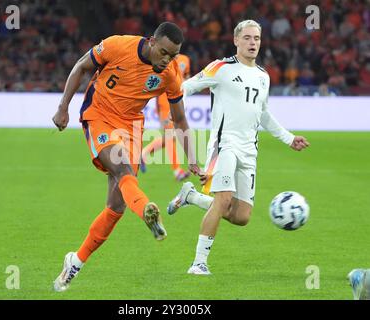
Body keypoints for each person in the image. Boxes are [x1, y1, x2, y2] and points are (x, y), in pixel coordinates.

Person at [52, 22, 201, 291]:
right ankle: (146, 209)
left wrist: (192, 158)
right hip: (99, 115)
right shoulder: (118, 45)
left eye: (174, 56)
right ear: (153, 42)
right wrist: (63, 107)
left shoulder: (169, 74)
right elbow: (81, 67)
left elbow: (179, 119)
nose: (168, 60)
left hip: (131, 125)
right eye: (165, 52)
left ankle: (75, 261)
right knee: (123, 171)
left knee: (116, 208)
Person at [167, 20, 310, 275]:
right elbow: (186, 87)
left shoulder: (263, 76)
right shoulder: (220, 68)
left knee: (241, 216)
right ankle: (198, 263)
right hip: (225, 146)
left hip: (249, 150)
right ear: (236, 40)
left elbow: (263, 114)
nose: (252, 43)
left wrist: (289, 138)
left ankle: (190, 197)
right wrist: (174, 110)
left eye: (256, 38)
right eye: (247, 38)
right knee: (222, 201)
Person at [140, 53, 191, 181]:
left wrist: (186, 83)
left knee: (169, 136)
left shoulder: (185, 59)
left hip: (177, 102)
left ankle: (143, 152)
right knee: (170, 136)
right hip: (164, 102)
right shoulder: (163, 59)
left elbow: (187, 77)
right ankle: (177, 170)